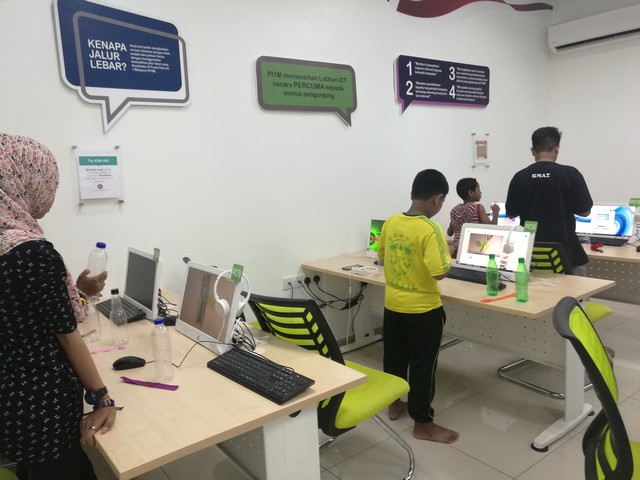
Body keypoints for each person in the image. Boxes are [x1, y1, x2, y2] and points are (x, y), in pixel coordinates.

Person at [0, 133, 117, 480]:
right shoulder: (30, 252)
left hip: (12, 405)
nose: (51, 195)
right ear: (26, 181)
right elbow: (66, 334)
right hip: (39, 406)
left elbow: (21, 313)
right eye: (50, 183)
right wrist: (102, 399)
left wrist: (78, 292)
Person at [377, 169, 459, 444]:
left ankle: (393, 405)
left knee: (394, 358)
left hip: (392, 305)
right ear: (437, 198)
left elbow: (382, 255)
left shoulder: (391, 222)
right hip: (423, 311)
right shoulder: (429, 228)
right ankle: (423, 424)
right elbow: (439, 272)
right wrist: (448, 255)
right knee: (423, 367)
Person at [505, 126, 592, 274]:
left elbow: (511, 213)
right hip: (565, 251)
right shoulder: (570, 174)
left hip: (530, 252)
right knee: (573, 288)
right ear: (556, 148)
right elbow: (585, 211)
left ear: (532, 150)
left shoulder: (520, 176)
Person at [447, 177, 500, 258]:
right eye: (478, 189)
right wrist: (496, 212)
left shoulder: (454, 211)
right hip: (471, 253)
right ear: (471, 193)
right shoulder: (478, 208)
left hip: (456, 252)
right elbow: (492, 229)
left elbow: (449, 233)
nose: (480, 192)